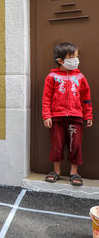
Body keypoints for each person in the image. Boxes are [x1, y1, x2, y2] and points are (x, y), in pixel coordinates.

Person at [42, 42, 93, 186]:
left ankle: (74, 172)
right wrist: (47, 115)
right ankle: (56, 171)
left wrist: (88, 115)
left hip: (76, 117)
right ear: (60, 60)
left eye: (77, 57)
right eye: (72, 57)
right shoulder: (52, 77)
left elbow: (86, 98)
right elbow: (46, 98)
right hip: (57, 117)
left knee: (75, 145)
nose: (76, 60)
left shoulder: (80, 77)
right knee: (57, 144)